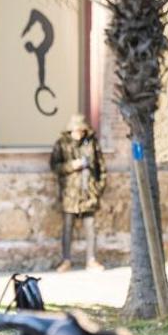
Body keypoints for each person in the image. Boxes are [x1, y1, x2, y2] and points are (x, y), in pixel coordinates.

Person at [50, 113, 106, 272]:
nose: (79, 133)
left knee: (91, 228)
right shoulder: (62, 144)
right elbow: (55, 166)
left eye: (81, 130)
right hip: (70, 194)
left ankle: (92, 260)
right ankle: (66, 260)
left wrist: (98, 187)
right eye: (76, 130)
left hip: (88, 193)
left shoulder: (91, 144)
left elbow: (101, 167)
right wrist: (72, 166)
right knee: (67, 227)